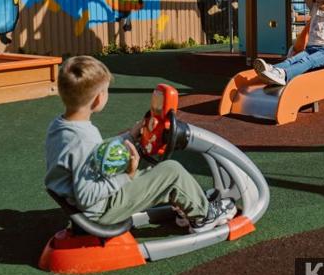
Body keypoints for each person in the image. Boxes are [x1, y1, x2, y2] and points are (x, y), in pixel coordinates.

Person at [45, 56, 235, 231]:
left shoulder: (61, 125)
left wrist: (129, 136)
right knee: (172, 171)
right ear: (98, 99)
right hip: (100, 210)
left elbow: (95, 152)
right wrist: (127, 176)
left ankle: (191, 200)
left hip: (86, 199)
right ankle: (204, 216)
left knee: (149, 167)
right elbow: (87, 197)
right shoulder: (83, 139)